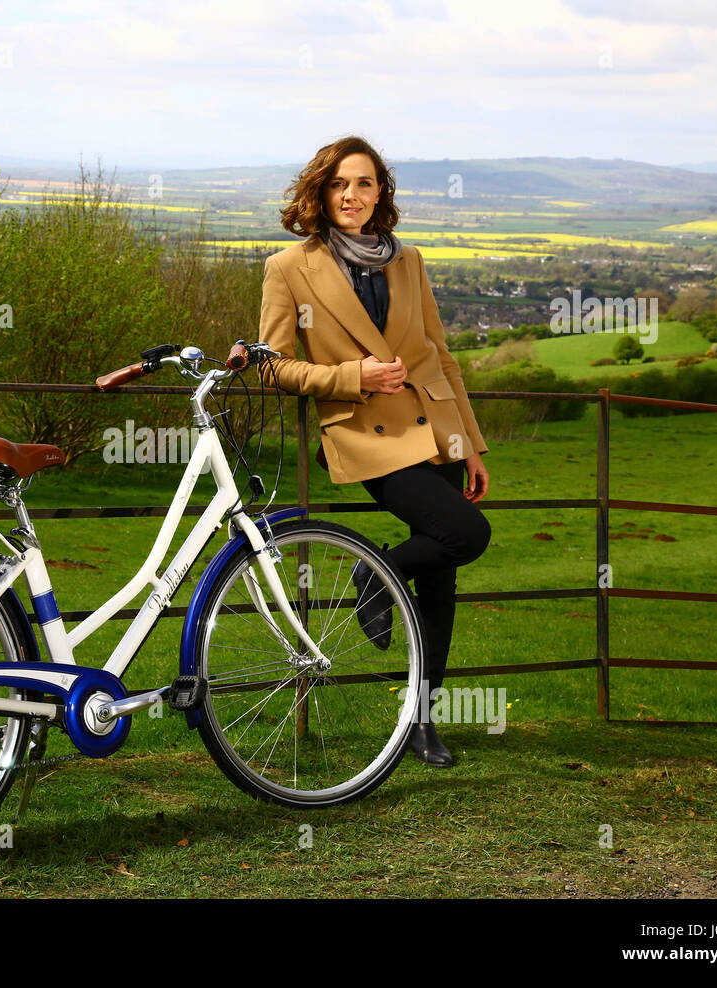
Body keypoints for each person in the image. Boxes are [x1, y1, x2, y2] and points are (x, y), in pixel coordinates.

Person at [259, 135, 492, 767]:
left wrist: (471, 445)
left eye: (364, 184)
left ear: (380, 192)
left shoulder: (408, 260)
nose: (352, 196)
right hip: (368, 433)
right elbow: (273, 367)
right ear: (320, 192)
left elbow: (439, 352)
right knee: (468, 534)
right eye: (339, 184)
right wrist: (351, 377)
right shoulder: (289, 267)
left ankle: (423, 722)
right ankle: (376, 571)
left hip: (435, 424)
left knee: (441, 579)